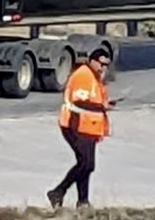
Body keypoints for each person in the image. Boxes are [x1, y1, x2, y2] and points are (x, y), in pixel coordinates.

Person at [48, 48, 116, 209]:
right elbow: (80, 101)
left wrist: (104, 105)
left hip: (88, 127)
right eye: (101, 64)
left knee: (84, 164)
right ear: (92, 60)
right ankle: (58, 191)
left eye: (106, 65)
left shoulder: (93, 76)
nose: (104, 68)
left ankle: (83, 201)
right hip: (77, 125)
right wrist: (101, 106)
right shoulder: (84, 75)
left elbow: (93, 100)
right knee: (87, 164)